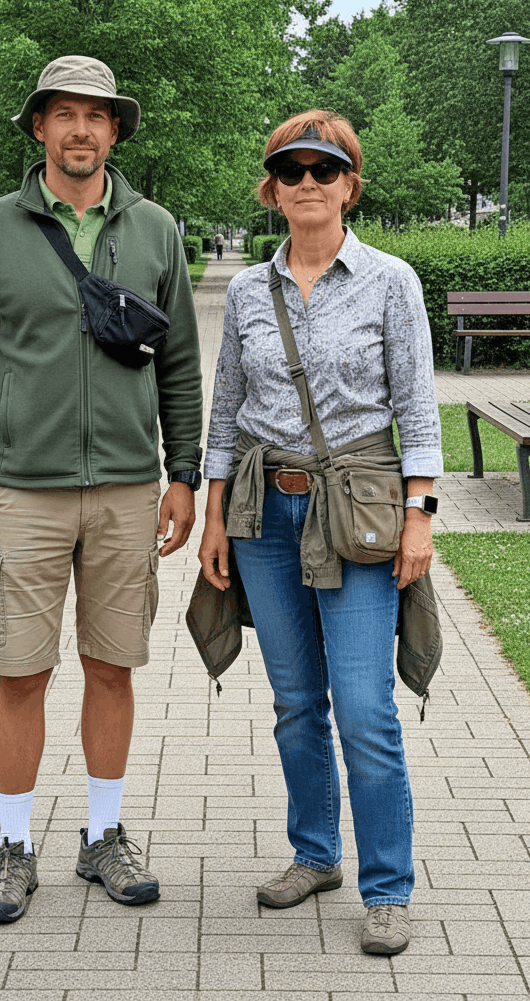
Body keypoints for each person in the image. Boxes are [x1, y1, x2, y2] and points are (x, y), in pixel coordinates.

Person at [0, 55, 204, 924]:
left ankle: (104, 834)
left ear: (115, 130)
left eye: (97, 114)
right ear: (40, 128)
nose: (81, 129)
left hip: (128, 489)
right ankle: (13, 846)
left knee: (112, 667)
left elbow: (185, 368)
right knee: (19, 672)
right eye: (64, 113)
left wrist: (185, 475)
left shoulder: (157, 228)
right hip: (21, 492)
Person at [197, 110, 442, 955]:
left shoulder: (389, 282)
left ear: (350, 186)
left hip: (362, 518)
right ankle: (314, 855)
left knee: (366, 709)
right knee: (298, 703)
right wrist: (212, 516)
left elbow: (417, 406)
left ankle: (388, 886)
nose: (308, 183)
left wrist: (421, 514)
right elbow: (226, 409)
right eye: (291, 171)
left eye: (324, 170)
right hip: (266, 516)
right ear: (272, 189)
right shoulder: (246, 291)